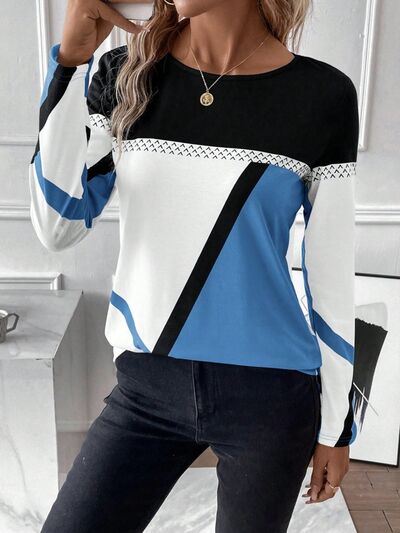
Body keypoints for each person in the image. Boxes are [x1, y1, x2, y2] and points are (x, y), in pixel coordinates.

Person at [29, 0, 359, 531]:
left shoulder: (321, 94)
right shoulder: (126, 75)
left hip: (270, 398)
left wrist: (337, 427)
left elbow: (331, 276)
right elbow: (58, 223)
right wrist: (69, 63)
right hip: (147, 389)